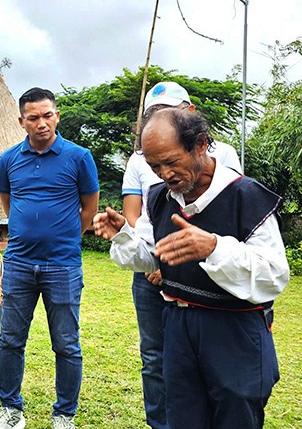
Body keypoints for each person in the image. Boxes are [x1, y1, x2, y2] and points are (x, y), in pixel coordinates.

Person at [94, 108, 289, 428]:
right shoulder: (159, 197)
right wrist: (122, 235)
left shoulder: (245, 196)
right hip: (177, 324)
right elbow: (152, 256)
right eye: (155, 166)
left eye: (171, 162)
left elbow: (274, 276)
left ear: (200, 145)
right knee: (183, 413)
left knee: (235, 415)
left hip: (234, 329)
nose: (164, 174)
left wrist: (213, 247)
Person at [122, 81, 242, 428]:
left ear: (189, 114)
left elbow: (226, 215)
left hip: (202, 271)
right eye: (151, 116)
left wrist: (175, 261)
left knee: (206, 359)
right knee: (155, 357)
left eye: (167, 112)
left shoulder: (224, 153)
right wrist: (154, 257)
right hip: (152, 272)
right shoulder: (138, 157)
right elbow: (136, 212)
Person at [0, 87, 100, 429]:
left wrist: (63, 237)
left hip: (63, 265)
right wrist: (30, 231)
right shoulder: (9, 159)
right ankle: (11, 411)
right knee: (10, 339)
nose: (42, 123)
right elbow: (8, 204)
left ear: (57, 116)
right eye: (33, 117)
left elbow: (89, 207)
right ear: (22, 121)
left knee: (66, 343)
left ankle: (64, 415)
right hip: (19, 263)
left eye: (47, 115)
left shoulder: (79, 157)